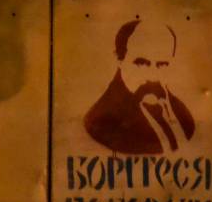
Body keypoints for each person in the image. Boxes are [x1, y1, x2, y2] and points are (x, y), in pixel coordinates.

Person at [84, 19, 195, 155]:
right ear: (119, 59)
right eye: (142, 64)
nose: (153, 77)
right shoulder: (100, 123)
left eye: (162, 64)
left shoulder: (181, 114)